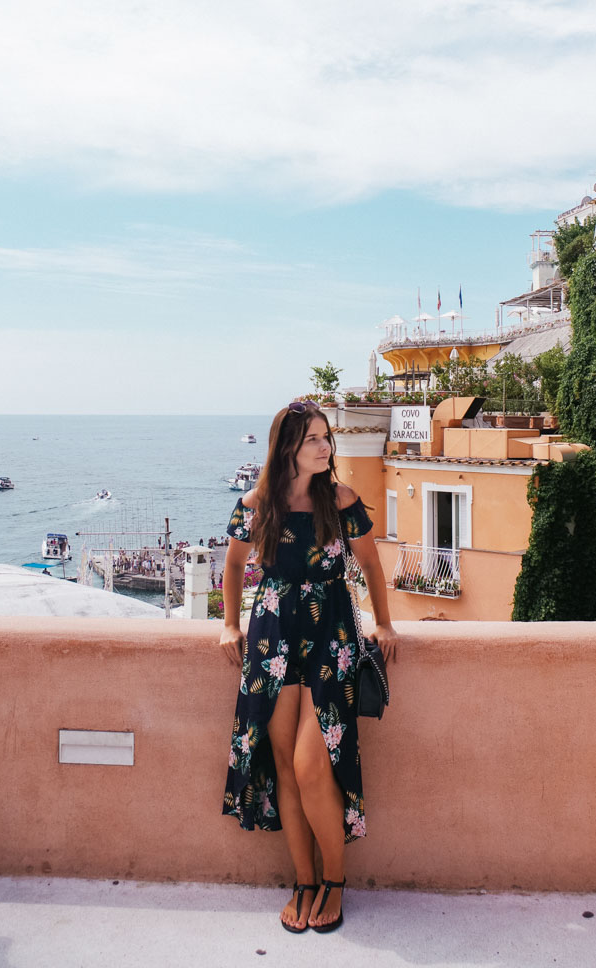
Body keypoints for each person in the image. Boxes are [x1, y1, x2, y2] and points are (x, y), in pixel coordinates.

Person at [220, 400, 398, 934]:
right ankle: (304, 881)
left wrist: (383, 624)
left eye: (326, 437)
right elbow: (232, 565)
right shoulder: (259, 502)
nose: (325, 446)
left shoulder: (340, 499)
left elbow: (369, 564)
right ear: (288, 448)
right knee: (282, 765)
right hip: (273, 639)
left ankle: (336, 881)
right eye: (313, 439)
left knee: (311, 764)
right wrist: (230, 625)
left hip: (330, 637)